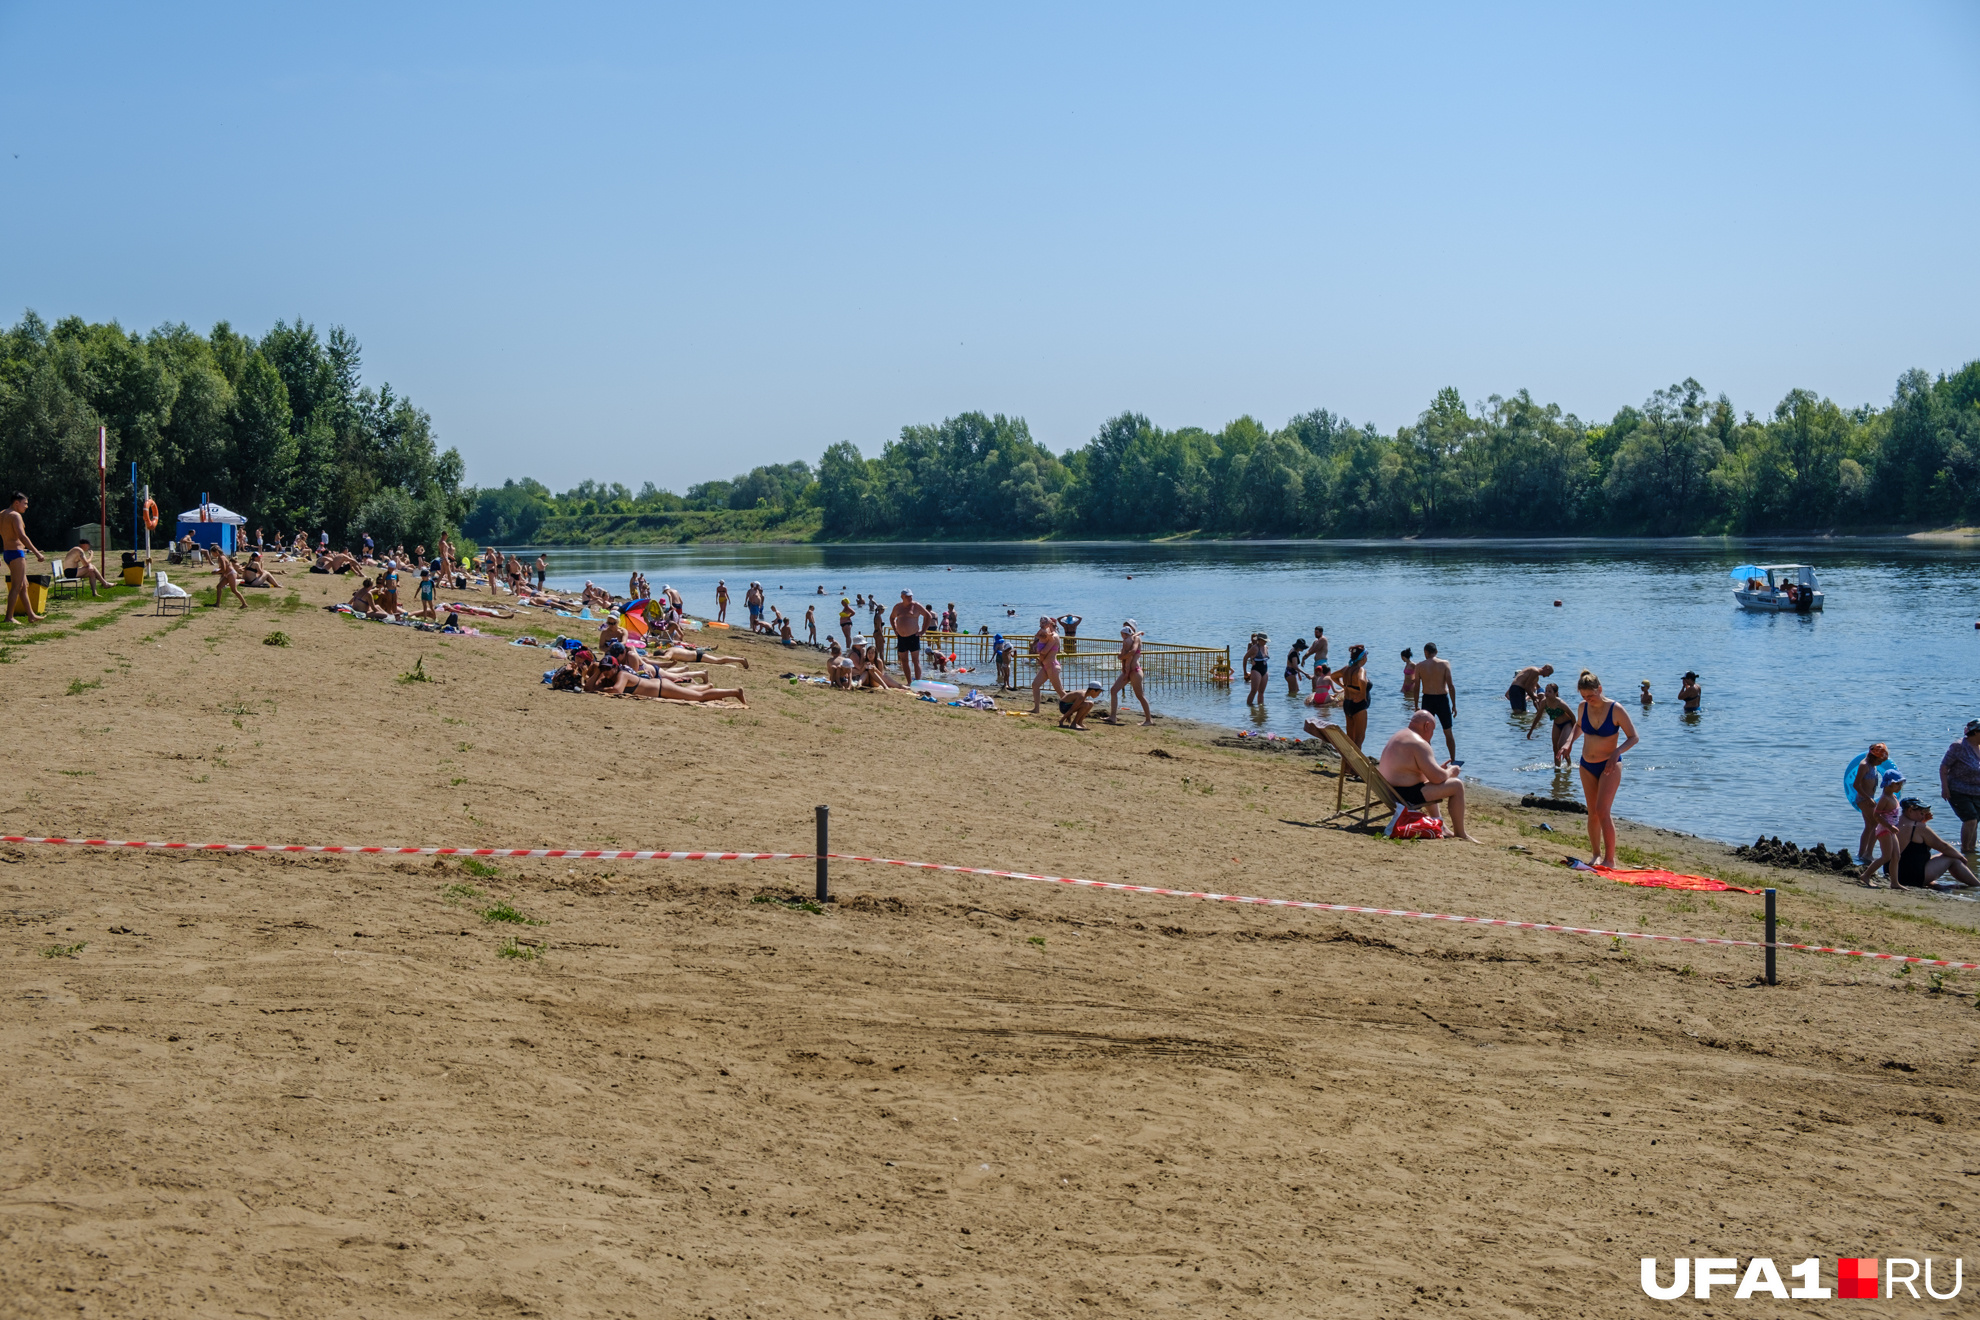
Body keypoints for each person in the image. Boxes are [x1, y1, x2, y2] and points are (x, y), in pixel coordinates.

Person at [1369, 710, 1474, 841]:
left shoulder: (1399, 735)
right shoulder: (1419, 743)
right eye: (1433, 730)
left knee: (1429, 782)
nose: (1432, 735)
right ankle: (1460, 833)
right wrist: (1450, 771)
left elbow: (1414, 771)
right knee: (1457, 785)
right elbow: (1438, 778)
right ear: (1427, 726)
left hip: (1388, 790)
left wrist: (1438, 770)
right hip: (1404, 795)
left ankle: (1442, 827)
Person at [1573, 669, 1640, 869]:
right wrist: (1568, 743)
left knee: (1603, 811)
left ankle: (1610, 859)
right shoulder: (1582, 707)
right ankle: (1596, 855)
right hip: (1586, 765)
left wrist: (1616, 752)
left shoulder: (1616, 709)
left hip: (1609, 765)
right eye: (1584, 696)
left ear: (1600, 689)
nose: (1588, 699)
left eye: (1591, 695)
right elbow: (1578, 726)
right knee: (1592, 812)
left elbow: (1633, 737)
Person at [1892, 798, 1979, 889]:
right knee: (1952, 858)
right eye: (1921, 813)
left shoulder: (1896, 822)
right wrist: (1961, 857)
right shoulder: (1917, 827)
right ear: (1910, 810)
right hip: (1910, 877)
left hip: (1893, 872)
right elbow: (1943, 846)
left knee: (1936, 856)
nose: (1923, 816)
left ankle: (1935, 884)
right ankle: (1977, 886)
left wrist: (1923, 822)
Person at [1855, 769, 1907, 884]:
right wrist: (1889, 826)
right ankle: (1866, 875)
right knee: (1886, 856)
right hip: (1884, 829)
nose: (1899, 787)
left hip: (1890, 830)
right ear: (1889, 784)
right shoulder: (1884, 798)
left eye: (1900, 784)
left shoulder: (1892, 796)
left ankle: (1894, 883)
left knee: (1896, 856)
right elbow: (1876, 815)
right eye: (1897, 784)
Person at [1, 493, 46, 624]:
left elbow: (9, 536)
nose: (26, 506)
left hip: (8, 553)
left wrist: (26, 550)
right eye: (24, 503)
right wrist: (37, 552)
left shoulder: (2, 514)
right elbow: (22, 536)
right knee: (16, 586)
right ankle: (9, 617)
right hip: (16, 554)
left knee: (23, 585)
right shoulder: (15, 515)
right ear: (16, 503)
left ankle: (31, 615)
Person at [1940, 720, 1980, 859]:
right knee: (1970, 819)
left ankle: (1971, 852)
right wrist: (1945, 788)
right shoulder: (1959, 746)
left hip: (1977, 792)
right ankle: (1965, 851)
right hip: (1958, 790)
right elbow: (1944, 767)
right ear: (1975, 732)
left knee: (1975, 823)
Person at [1107, 620, 1153, 726]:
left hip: (1135, 671)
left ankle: (1148, 720)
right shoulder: (1127, 640)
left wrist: (1121, 657)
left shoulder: (1136, 638)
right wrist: (1122, 658)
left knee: (1140, 695)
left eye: (1127, 626)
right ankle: (1112, 717)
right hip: (1127, 671)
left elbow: (1132, 651)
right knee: (1113, 690)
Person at [1854, 742, 1894, 863]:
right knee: (1877, 824)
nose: (1881, 763)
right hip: (1863, 799)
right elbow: (1856, 784)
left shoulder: (1873, 765)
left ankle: (1861, 853)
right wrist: (1867, 798)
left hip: (1868, 798)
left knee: (1869, 826)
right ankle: (1868, 854)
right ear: (1874, 756)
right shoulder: (1864, 765)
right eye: (1880, 761)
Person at [1416, 642, 1456, 758]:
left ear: (1425, 653)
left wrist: (1416, 705)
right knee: (1448, 732)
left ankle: (1428, 760)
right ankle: (1453, 760)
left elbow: (1417, 687)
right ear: (1436, 652)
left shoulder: (1420, 666)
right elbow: (1451, 685)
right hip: (1442, 700)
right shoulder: (1445, 664)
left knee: (1426, 734)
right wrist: (1454, 705)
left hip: (1427, 700)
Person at [1525, 682, 1580, 767]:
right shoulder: (1544, 702)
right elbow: (1538, 716)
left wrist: (1573, 732)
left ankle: (1569, 764)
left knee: (1561, 745)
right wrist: (1530, 731)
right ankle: (1557, 769)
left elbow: (1572, 716)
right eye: (1546, 691)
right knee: (1555, 748)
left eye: (1549, 691)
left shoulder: (1560, 703)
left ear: (1556, 693)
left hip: (1567, 724)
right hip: (1556, 724)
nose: (1546, 693)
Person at [890, 590, 938, 681]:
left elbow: (928, 616)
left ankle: (918, 681)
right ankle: (909, 682)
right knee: (904, 661)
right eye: (908, 596)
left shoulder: (916, 606)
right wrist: (895, 629)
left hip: (913, 636)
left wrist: (923, 631)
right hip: (901, 637)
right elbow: (891, 617)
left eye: (911, 596)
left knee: (915, 660)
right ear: (902, 597)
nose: (910, 598)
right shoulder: (897, 607)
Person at [1028, 616, 1066, 714]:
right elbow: (1037, 636)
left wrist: (1039, 653)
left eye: (1046, 624)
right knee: (1035, 684)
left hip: (1052, 665)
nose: (1044, 627)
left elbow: (1045, 651)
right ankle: (1036, 709)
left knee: (1060, 691)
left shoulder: (1055, 636)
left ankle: (1074, 708)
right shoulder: (1046, 635)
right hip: (1046, 666)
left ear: (1051, 624)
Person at [1338, 645, 1372, 749]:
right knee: (1359, 740)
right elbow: (1361, 680)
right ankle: (1356, 765)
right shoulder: (1360, 669)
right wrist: (1362, 696)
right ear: (1363, 657)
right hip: (1359, 706)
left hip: (1347, 704)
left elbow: (1333, 676)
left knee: (1350, 739)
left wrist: (1345, 687)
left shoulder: (1346, 669)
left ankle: (1347, 764)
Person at [1243, 633, 1270, 707]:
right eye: (1264, 640)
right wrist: (1245, 672)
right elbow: (1245, 658)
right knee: (1254, 691)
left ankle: (1261, 709)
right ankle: (1250, 707)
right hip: (1256, 670)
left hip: (1265, 669)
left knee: (1261, 692)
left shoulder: (1266, 647)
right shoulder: (1255, 648)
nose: (1266, 642)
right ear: (1259, 640)